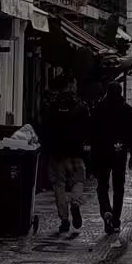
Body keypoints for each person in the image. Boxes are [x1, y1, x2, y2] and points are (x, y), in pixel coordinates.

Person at [39, 76, 90, 237]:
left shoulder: (51, 106)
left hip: (57, 154)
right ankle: (75, 201)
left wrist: (46, 150)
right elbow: (87, 128)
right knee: (79, 180)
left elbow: (45, 130)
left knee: (58, 185)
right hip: (76, 152)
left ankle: (64, 220)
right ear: (70, 85)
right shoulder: (80, 106)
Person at [89, 81, 132, 235]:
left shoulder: (99, 109)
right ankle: (116, 220)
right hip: (119, 152)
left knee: (102, 186)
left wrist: (91, 157)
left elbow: (93, 133)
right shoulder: (126, 109)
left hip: (102, 152)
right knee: (119, 188)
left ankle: (106, 210)